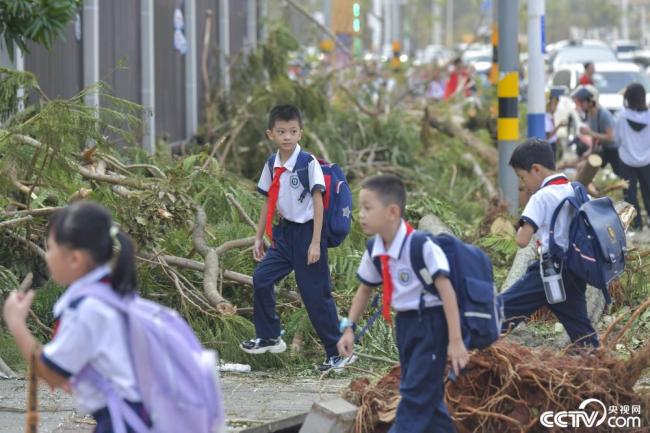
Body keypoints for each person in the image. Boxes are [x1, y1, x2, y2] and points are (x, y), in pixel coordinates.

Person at [2, 202, 152, 432]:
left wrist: (16, 323)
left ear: (75, 259)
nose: (47, 257)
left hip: (123, 423)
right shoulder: (114, 294)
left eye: (50, 248)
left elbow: (51, 374)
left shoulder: (87, 309)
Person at [337, 174, 467, 433]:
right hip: (404, 325)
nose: (360, 214)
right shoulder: (375, 247)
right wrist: (349, 327)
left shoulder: (421, 246)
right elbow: (364, 290)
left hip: (431, 324)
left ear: (392, 212)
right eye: (359, 207)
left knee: (413, 394)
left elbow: (447, 292)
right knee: (427, 397)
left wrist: (455, 340)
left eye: (367, 207)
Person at [240, 104, 352, 372]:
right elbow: (267, 202)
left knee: (315, 295)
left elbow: (319, 204)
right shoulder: (271, 164)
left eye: (292, 131)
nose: (287, 136)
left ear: (300, 133)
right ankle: (269, 336)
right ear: (271, 134)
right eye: (281, 132)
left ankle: (337, 353)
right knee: (262, 278)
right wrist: (258, 237)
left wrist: (315, 243)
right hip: (285, 234)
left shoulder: (307, 163)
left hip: (309, 233)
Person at [500, 138, 599, 347]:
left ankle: (472, 345)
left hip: (549, 271)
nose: (522, 184)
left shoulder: (541, 197)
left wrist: (526, 217)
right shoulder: (577, 190)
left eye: (522, 177)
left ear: (535, 169)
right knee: (581, 330)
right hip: (574, 271)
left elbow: (521, 240)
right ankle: (600, 366)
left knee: (503, 308)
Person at [615, 82, 650, 230]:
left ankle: (636, 225)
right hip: (647, 160)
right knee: (648, 191)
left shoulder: (621, 116)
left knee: (630, 194)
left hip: (626, 160)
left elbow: (617, 139)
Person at [574, 85, 622, 177]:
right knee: (583, 167)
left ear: (590, 101)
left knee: (620, 174)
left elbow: (610, 138)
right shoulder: (590, 114)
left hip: (616, 150)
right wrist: (590, 151)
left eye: (581, 102)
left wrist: (589, 133)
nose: (579, 106)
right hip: (605, 148)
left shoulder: (604, 114)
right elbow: (594, 135)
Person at [545, 88, 567, 158]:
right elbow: (548, 135)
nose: (556, 107)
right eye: (555, 104)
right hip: (549, 146)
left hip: (553, 145)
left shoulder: (551, 116)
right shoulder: (546, 118)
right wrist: (559, 126)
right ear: (549, 104)